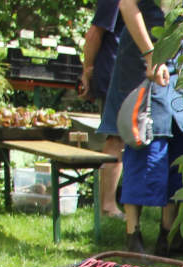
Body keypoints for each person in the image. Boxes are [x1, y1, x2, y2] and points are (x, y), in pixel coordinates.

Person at [99, 0, 183, 255]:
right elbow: (126, 5)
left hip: (182, 64)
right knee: (147, 144)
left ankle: (169, 237)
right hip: (144, 58)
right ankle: (133, 237)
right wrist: (150, 55)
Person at [78, 0, 125, 219]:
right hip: (115, 75)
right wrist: (87, 71)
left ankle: (113, 202)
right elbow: (94, 34)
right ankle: (107, 204)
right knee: (115, 138)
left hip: (127, 72)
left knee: (120, 138)